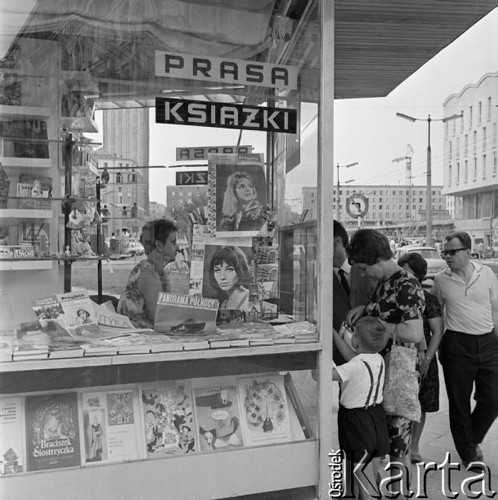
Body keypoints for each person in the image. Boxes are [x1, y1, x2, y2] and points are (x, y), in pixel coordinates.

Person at [346, 229, 425, 494]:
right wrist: (364, 310)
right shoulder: (385, 282)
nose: (364, 273)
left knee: (398, 448)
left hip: (397, 378)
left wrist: (379, 326)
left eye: (364, 267)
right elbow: (385, 310)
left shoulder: (406, 285)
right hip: (382, 377)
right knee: (385, 444)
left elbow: (414, 333)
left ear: (378, 259)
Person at [431, 231, 498, 470]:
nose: (447, 256)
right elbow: (435, 314)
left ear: (468, 252)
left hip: (488, 341)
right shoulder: (441, 280)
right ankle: (469, 454)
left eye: (452, 252)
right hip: (457, 345)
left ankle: (471, 440)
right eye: (444, 252)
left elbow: (495, 309)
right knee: (459, 403)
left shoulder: (487, 274)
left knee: (493, 399)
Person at [332, 316, 390, 500]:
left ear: (355, 340)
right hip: (376, 418)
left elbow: (325, 376)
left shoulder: (354, 366)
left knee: (363, 476)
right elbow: (352, 357)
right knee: (369, 469)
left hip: (356, 421)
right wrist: (334, 335)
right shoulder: (378, 359)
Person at [397, 251, 444, 464]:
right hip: (399, 357)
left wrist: (427, 359)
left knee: (420, 403)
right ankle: (397, 445)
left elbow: (437, 332)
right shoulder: (395, 297)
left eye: (406, 272)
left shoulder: (429, 299)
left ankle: (413, 446)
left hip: (422, 358)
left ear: (419, 274)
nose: (402, 276)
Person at [117, 219, 179, 328]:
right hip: (138, 341)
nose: (177, 247)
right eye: (173, 242)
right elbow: (161, 320)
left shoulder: (160, 273)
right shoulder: (146, 274)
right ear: (159, 245)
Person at [333, 220, 377, 365]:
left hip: (369, 351)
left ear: (337, 242)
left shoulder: (368, 271)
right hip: (337, 352)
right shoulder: (320, 276)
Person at [208, 246, 251, 310]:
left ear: (240, 270)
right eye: (217, 270)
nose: (222, 277)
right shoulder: (223, 304)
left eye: (229, 269)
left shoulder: (250, 299)